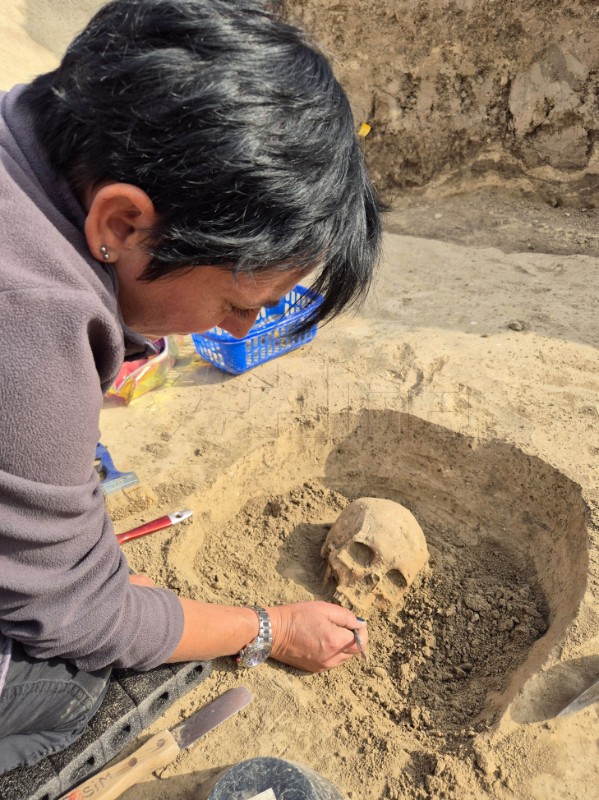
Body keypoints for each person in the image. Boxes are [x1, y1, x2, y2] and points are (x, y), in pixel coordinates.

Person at [0, 0, 381, 773]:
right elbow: (83, 616)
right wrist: (266, 626)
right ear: (123, 222)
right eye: (239, 305)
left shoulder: (24, 121)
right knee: (69, 683)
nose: (242, 335)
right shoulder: (32, 325)